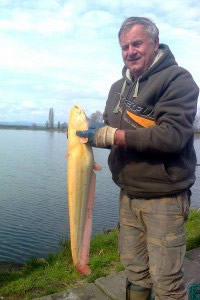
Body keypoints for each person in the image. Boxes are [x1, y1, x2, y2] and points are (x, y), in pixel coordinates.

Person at [76, 17, 199, 300]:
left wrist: (113, 136)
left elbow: (173, 136)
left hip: (164, 200)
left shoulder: (177, 79)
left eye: (137, 43)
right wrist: (91, 137)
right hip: (128, 197)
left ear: (155, 43)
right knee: (135, 273)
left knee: (167, 282)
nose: (130, 51)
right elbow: (116, 135)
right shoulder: (117, 88)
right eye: (124, 47)